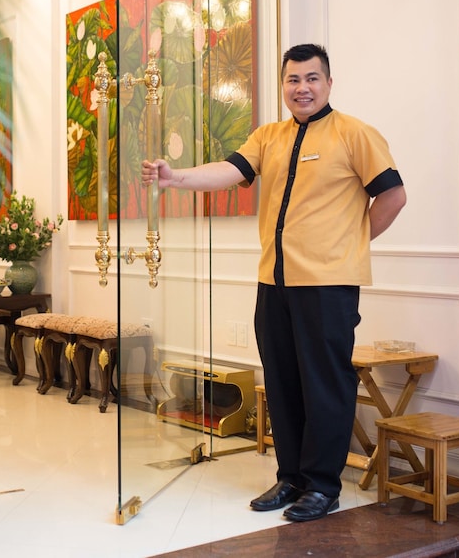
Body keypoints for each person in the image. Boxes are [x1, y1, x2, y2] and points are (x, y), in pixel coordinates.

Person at [141, 43, 406, 523]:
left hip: (328, 285)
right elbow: (229, 171)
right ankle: (292, 478)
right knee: (282, 383)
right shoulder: (269, 136)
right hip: (274, 281)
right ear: (283, 85)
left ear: (329, 83)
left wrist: (351, 242)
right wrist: (174, 177)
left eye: (312, 78)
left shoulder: (354, 133)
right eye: (293, 79)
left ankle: (322, 486)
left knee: (325, 385)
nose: (302, 88)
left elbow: (393, 196)